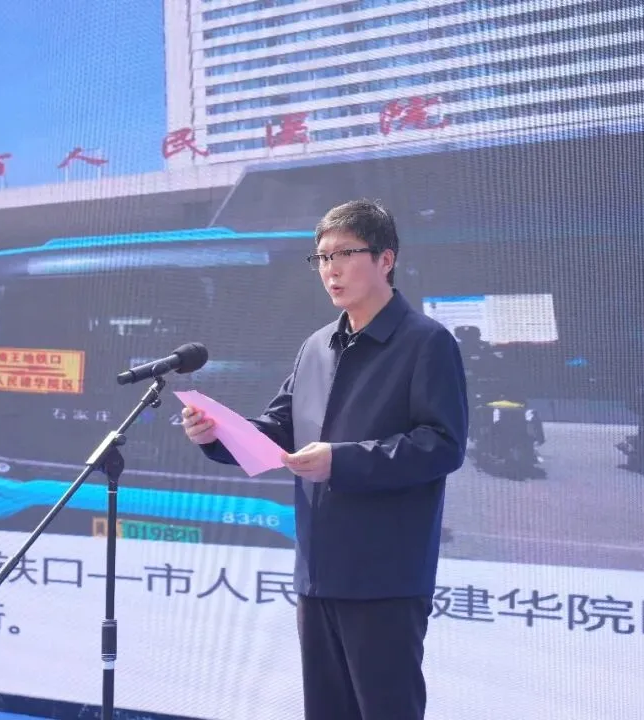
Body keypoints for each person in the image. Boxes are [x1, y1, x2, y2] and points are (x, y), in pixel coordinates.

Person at [181, 199, 469, 720]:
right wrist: (215, 435)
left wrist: (341, 461)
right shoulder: (316, 345)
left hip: (384, 575)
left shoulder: (427, 342)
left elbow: (442, 444)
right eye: (321, 257)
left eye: (344, 254)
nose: (330, 269)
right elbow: (276, 429)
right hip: (317, 571)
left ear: (385, 259)